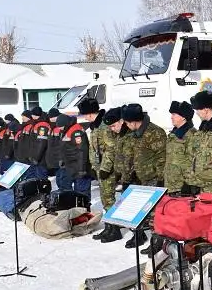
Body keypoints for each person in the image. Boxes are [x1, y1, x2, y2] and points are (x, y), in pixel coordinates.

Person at [121, 103, 166, 249]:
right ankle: (139, 235)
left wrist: (160, 179)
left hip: (153, 179)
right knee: (140, 211)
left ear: (134, 121)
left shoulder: (155, 133)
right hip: (140, 178)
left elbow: (162, 157)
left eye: (127, 123)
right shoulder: (135, 133)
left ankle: (157, 242)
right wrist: (128, 178)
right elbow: (133, 156)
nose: (126, 126)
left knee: (154, 213)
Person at [95, 107, 130, 243]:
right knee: (106, 199)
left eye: (114, 125)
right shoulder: (116, 132)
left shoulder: (128, 134)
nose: (112, 129)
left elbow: (111, 150)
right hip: (117, 169)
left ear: (121, 121)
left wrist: (105, 168)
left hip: (124, 172)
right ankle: (110, 227)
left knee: (122, 202)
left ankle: (134, 233)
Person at [56, 113, 93, 199]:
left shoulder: (76, 131)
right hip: (71, 165)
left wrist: (81, 169)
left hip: (79, 166)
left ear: (65, 124)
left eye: (60, 127)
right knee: (66, 187)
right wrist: (62, 160)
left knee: (82, 192)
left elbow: (82, 151)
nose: (60, 129)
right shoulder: (66, 130)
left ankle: (84, 209)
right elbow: (65, 147)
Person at [164, 100, 196, 195]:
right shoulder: (173, 135)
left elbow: (193, 162)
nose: (171, 117)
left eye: (174, 114)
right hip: (171, 186)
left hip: (182, 187)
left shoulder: (192, 135)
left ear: (183, 117)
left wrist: (188, 184)